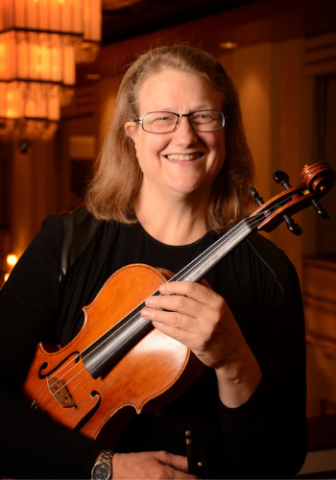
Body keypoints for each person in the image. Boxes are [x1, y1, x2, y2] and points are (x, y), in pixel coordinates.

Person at [0, 44, 307, 479]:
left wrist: (234, 360)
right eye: (162, 118)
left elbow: (278, 463)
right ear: (132, 134)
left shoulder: (269, 274)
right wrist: (105, 468)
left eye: (203, 116)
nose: (185, 137)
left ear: (225, 131)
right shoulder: (66, 243)